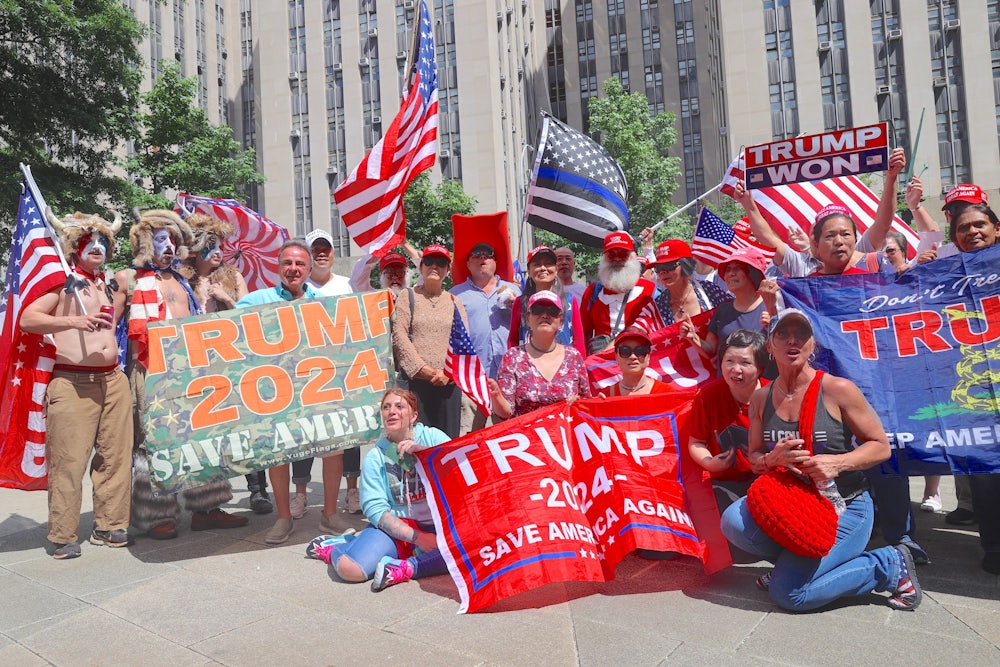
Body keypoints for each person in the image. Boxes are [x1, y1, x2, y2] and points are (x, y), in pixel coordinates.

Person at [721, 309, 922, 612]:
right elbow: (754, 458)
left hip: (845, 506)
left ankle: (886, 564)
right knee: (734, 521)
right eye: (783, 334)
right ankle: (797, 566)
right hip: (796, 504)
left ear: (812, 345)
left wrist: (837, 463)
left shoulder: (837, 389)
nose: (793, 341)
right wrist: (772, 458)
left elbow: (881, 447)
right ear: (770, 345)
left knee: (790, 595)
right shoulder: (762, 398)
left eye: (801, 335)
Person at [115, 210, 247, 540]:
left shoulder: (184, 281)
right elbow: (109, 326)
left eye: (173, 240)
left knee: (203, 437)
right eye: (162, 239)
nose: (169, 246)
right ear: (145, 242)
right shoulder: (127, 279)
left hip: (190, 370)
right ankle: (157, 514)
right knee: (153, 442)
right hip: (150, 370)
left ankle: (207, 507)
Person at [21, 211, 132, 559]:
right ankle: (63, 534)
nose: (97, 247)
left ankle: (110, 525)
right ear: (74, 246)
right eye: (89, 241)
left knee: (115, 458)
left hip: (114, 380)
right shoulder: (62, 280)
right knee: (69, 461)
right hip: (71, 382)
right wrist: (73, 320)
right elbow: (28, 318)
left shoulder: (111, 282)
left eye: (102, 242)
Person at [236, 239, 357, 544]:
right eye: (288, 263)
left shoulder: (325, 303)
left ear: (309, 268)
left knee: (333, 450)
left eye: (300, 264)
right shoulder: (256, 301)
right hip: (276, 394)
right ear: (278, 267)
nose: (293, 269)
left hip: (318, 390)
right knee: (279, 453)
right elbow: (229, 330)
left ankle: (329, 516)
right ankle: (283, 518)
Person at [920, 184, 1000, 573]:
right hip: (975, 388)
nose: (973, 232)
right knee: (984, 472)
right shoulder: (943, 273)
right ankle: (995, 548)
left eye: (980, 224)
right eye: (963, 228)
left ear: (996, 229)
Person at [305, 388, 450, 592]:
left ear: (414, 415)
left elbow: (460, 469)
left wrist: (426, 454)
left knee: (479, 549)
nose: (392, 411)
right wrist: (419, 538)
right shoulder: (376, 456)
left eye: (399, 406)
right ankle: (338, 547)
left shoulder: (434, 437)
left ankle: (407, 568)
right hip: (400, 528)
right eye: (386, 407)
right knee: (351, 570)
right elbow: (375, 509)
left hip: (442, 524)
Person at [183, 213, 273, 516]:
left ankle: (258, 491)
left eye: (220, 244)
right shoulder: (183, 278)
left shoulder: (232, 277)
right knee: (207, 434)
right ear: (196, 249)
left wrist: (226, 298)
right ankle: (207, 501)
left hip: (233, 361)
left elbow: (250, 318)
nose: (218, 251)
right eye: (210, 245)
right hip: (198, 365)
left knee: (246, 427)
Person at [736, 147, 905, 277]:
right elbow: (768, 239)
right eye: (829, 235)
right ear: (815, 241)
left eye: (845, 234)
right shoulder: (804, 269)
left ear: (855, 237)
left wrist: (891, 178)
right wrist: (748, 205)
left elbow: (883, 223)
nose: (839, 241)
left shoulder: (871, 259)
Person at [300, 229, 361, 516]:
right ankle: (300, 492)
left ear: (334, 254)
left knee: (348, 432)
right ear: (309, 256)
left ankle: (352, 489)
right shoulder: (297, 288)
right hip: (306, 374)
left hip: (342, 373)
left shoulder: (348, 285)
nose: (322, 253)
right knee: (303, 434)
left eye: (326, 248)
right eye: (316, 249)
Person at [392, 244, 469, 438]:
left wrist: (447, 373)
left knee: (446, 444)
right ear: (421, 267)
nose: (435, 266)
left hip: (448, 386)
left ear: (448, 270)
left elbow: (463, 342)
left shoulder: (454, 301)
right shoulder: (407, 296)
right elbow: (399, 336)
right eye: (429, 262)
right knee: (414, 443)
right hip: (415, 385)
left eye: (441, 263)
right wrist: (424, 370)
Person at [688, 330, 768, 514]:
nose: (735, 369)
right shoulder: (708, 396)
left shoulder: (774, 394)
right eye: (729, 361)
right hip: (724, 482)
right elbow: (695, 442)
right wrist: (709, 462)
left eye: (745, 363)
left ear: (760, 368)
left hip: (766, 477)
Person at [450, 242, 520, 432]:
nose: (482, 258)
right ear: (467, 263)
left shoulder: (515, 291)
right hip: (471, 380)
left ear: (495, 262)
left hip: (509, 379)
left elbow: (530, 328)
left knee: (509, 436)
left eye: (487, 255)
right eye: (476, 255)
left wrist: (518, 307)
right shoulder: (455, 295)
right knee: (470, 439)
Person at [490, 290, 591, 418]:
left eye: (552, 311)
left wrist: (581, 402)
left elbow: (586, 402)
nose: (544, 315)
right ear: (528, 319)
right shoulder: (513, 357)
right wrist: (496, 396)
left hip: (565, 434)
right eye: (538, 310)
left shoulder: (574, 357)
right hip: (527, 434)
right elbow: (506, 412)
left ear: (561, 321)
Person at [681, 246, 769, 364]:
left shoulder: (772, 308)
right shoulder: (722, 311)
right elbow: (711, 350)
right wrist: (693, 338)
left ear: (753, 273)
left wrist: (773, 327)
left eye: (737, 268)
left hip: (763, 381)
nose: (730, 274)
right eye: (728, 270)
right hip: (727, 381)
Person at [580, 231, 662, 354]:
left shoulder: (650, 290)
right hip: (603, 366)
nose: (617, 259)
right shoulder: (593, 292)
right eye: (611, 254)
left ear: (633, 256)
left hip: (640, 361)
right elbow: (583, 332)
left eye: (623, 254)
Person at [508, 245, 584, 356]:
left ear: (556, 269)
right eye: (537, 264)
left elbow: (579, 339)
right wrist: (513, 362)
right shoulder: (520, 302)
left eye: (548, 264)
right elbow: (513, 339)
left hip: (565, 367)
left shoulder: (569, 300)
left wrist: (581, 367)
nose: (543, 268)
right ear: (529, 271)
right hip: (530, 367)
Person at [651, 239, 732, 326]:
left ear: (686, 265)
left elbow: (735, 314)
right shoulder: (657, 306)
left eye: (668, 266)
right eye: (658, 268)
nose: (662, 272)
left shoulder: (710, 290)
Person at [600, 328, 673, 396]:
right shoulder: (606, 396)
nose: (633, 357)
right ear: (616, 357)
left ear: (648, 356)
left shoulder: (666, 393)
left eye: (640, 351)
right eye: (625, 351)